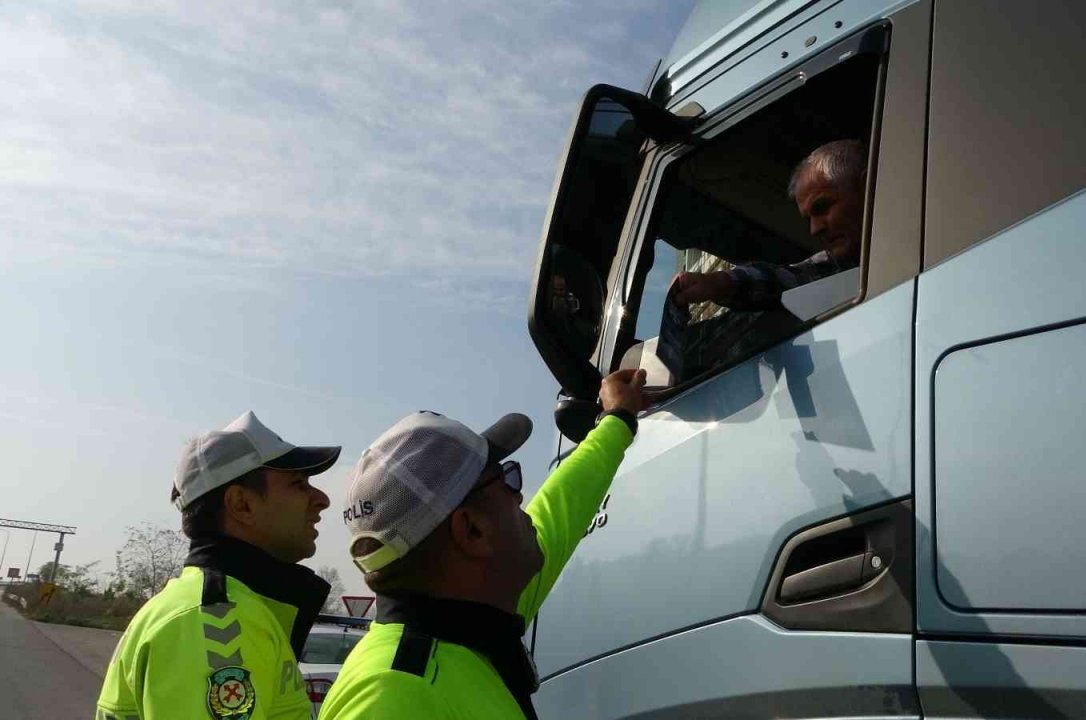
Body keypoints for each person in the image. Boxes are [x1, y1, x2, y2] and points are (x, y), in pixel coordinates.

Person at [318, 368, 648, 719]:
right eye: (507, 478)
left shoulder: (478, 612)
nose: (521, 494)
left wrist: (617, 419)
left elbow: (562, 506)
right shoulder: (392, 695)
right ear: (472, 531)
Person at [97, 411, 341, 720]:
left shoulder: (217, 609)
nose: (321, 499)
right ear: (241, 504)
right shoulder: (213, 623)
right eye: (299, 483)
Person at [669, 139, 867, 311]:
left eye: (822, 207)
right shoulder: (839, 264)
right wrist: (718, 283)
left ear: (867, 185)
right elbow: (786, 278)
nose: (814, 230)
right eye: (808, 219)